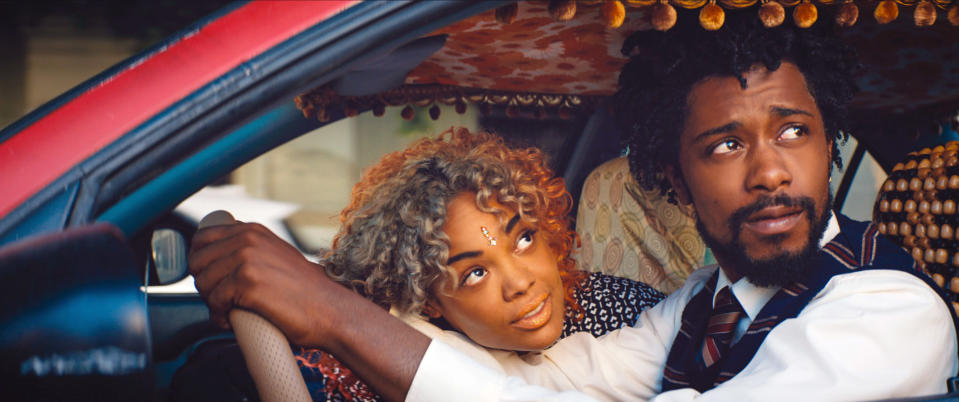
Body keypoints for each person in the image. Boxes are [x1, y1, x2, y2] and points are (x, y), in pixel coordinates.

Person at [189, 9, 959, 401]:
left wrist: (332, 315)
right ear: (670, 174)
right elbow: (554, 380)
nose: (767, 171)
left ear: (828, 146)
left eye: (794, 131)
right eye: (724, 146)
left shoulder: (888, 311)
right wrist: (343, 318)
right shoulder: (705, 303)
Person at [187, 128, 664, 401]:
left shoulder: (629, 312)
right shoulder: (400, 348)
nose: (520, 283)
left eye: (523, 238)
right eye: (474, 273)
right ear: (428, 302)